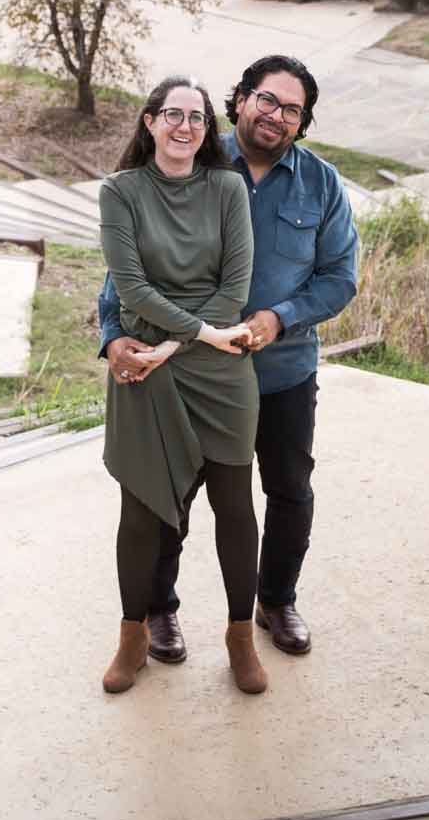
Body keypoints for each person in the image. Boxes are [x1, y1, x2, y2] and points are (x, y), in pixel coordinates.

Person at [99, 52, 358, 666]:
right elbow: (128, 274)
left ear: (302, 123)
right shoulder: (192, 154)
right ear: (240, 99)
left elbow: (340, 277)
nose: (277, 115)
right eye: (267, 100)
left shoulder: (319, 184)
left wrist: (279, 316)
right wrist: (113, 336)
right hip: (190, 367)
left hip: (283, 368)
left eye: (292, 110)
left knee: (287, 490)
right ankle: (159, 613)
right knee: (170, 499)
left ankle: (275, 601)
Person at [98, 74, 269, 698]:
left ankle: (240, 637)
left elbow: (236, 288)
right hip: (151, 363)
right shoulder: (119, 193)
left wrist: (178, 343)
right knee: (141, 511)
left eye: (197, 119)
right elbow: (132, 287)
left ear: (207, 130)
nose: (185, 127)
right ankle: (133, 637)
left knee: (233, 507)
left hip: (218, 366)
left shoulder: (227, 187)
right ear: (149, 122)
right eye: (173, 115)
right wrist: (182, 339)